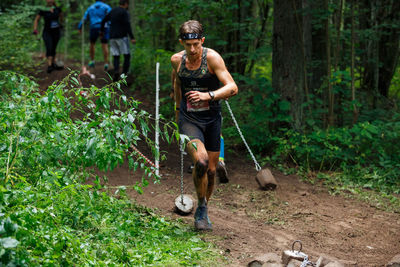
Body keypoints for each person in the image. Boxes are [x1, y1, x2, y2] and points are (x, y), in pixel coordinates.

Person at [171, 20, 238, 230]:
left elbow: (232, 87)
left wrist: (208, 95)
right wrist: (176, 113)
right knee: (200, 162)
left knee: (211, 171)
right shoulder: (176, 60)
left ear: (202, 41)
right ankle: (200, 208)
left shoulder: (212, 58)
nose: (192, 50)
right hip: (188, 119)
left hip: (211, 119)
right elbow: (177, 84)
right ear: (182, 42)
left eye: (196, 45)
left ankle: (204, 206)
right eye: (187, 45)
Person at [101, 0, 135, 81]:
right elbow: (127, 24)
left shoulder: (112, 11)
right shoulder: (124, 12)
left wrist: (102, 31)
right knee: (127, 55)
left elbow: (103, 20)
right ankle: (124, 75)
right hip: (122, 36)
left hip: (112, 37)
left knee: (116, 55)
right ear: (126, 4)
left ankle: (116, 71)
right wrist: (132, 37)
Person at [78, 0, 111, 70]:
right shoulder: (106, 7)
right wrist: (111, 25)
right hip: (104, 27)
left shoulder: (90, 7)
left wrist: (80, 27)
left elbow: (84, 18)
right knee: (104, 44)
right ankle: (106, 63)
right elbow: (111, 15)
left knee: (92, 43)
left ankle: (92, 61)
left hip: (94, 27)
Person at [33, 0, 64, 73]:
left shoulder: (58, 9)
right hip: (47, 32)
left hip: (56, 32)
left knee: (54, 47)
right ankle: (49, 65)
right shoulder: (43, 9)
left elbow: (61, 17)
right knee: (49, 46)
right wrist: (35, 29)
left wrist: (61, 24)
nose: (49, 1)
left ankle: (53, 63)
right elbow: (37, 19)